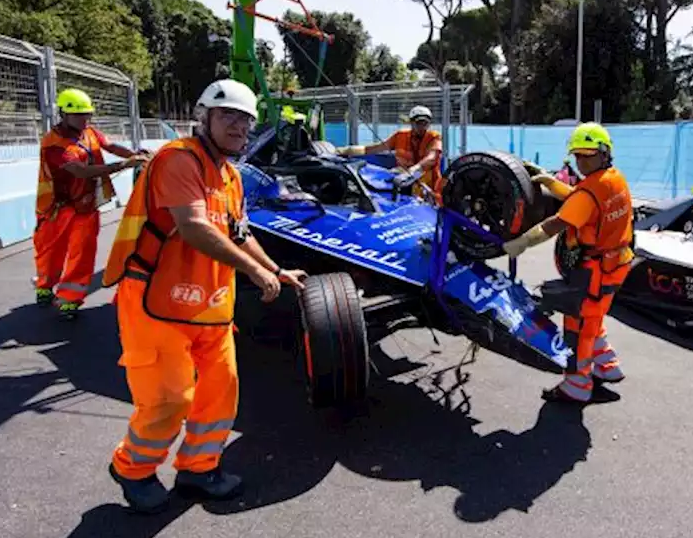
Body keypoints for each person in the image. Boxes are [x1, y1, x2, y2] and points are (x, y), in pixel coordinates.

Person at [101, 78, 309, 514]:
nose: (238, 126)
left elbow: (240, 233)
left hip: (210, 305)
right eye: (228, 115)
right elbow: (194, 226)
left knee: (221, 391)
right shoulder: (178, 161)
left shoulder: (230, 175)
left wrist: (274, 269)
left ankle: (198, 467)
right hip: (156, 302)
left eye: (245, 119)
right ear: (204, 118)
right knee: (169, 398)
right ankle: (132, 468)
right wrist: (253, 271)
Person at [502, 123, 634, 403]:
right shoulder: (614, 179)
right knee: (594, 319)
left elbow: (557, 223)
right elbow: (583, 198)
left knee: (578, 328)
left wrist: (523, 241)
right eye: (577, 155)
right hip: (616, 264)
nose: (582, 161)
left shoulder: (589, 192)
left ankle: (576, 387)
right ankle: (608, 367)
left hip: (594, 271)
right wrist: (550, 182)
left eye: (588, 155)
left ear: (604, 153)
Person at [33, 87, 149, 319]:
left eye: (88, 114)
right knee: (50, 252)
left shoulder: (89, 132)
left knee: (83, 252)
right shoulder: (54, 144)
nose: (85, 119)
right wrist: (123, 166)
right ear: (64, 114)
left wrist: (135, 155)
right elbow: (81, 171)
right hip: (57, 208)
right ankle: (45, 285)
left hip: (85, 206)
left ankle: (69, 298)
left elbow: (110, 146)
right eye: (79, 115)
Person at [337, 104, 443, 202]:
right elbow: (374, 148)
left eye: (426, 123)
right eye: (419, 123)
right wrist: (345, 150)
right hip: (402, 184)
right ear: (411, 122)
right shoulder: (400, 136)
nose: (422, 127)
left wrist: (413, 170)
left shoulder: (434, 137)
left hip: (429, 189)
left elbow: (432, 158)